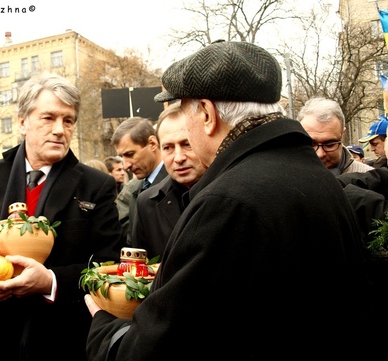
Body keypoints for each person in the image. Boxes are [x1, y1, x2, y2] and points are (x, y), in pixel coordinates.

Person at [84, 40, 376, 359]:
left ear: (207, 114)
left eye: (183, 111)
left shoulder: (229, 201)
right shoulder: (311, 172)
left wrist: (104, 326)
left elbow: (160, 348)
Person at [0, 72, 122, 361]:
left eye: (68, 120)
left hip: (60, 340)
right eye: (48, 118)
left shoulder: (96, 185)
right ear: (22, 122)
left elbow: (108, 264)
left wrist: (50, 281)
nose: (60, 130)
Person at [131, 101, 207, 259]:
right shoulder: (146, 203)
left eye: (187, 144)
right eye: (168, 148)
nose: (178, 158)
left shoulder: (230, 194)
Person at [112, 117, 168, 245]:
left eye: (130, 154)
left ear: (152, 144)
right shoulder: (135, 190)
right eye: (122, 157)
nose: (126, 166)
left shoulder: (178, 182)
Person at [297, 97, 373, 174]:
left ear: (342, 134)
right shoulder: (287, 180)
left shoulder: (372, 180)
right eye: (311, 144)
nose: (320, 154)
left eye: (329, 145)